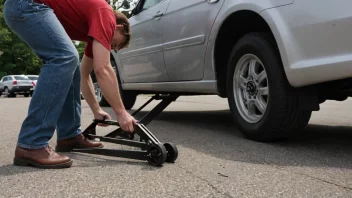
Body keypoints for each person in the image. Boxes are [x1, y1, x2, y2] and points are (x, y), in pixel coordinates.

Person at [3, 0, 137, 169]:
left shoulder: (94, 32)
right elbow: (103, 68)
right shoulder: (106, 15)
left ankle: (69, 136)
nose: (110, 47)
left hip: (23, 7)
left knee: (71, 63)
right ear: (119, 27)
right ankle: (32, 143)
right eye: (115, 43)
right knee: (64, 56)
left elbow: (84, 73)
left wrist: (97, 110)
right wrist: (121, 112)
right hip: (27, 5)